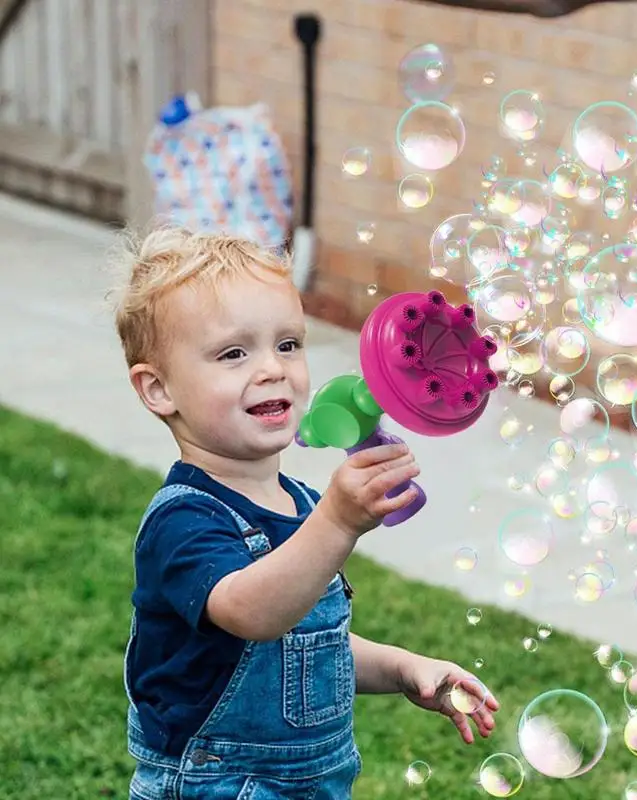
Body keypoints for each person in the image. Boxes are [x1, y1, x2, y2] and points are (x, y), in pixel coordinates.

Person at [106, 226, 500, 799]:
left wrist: (405, 668)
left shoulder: (302, 503)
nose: (273, 369)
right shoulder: (184, 520)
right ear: (159, 389)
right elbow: (253, 613)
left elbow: (306, 646)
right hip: (216, 781)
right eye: (234, 353)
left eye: (287, 344)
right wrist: (337, 524)